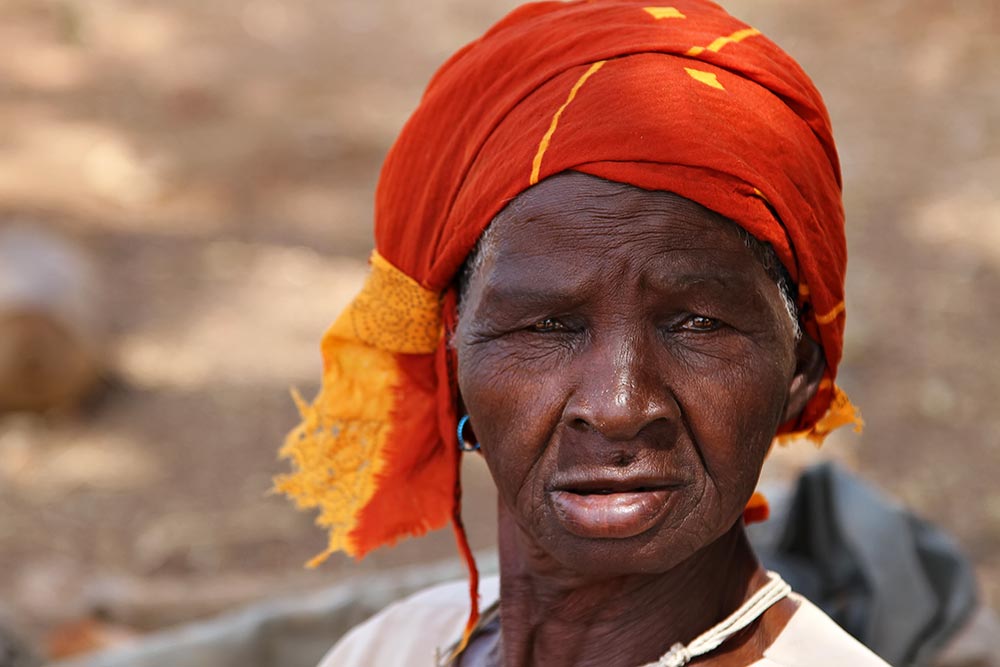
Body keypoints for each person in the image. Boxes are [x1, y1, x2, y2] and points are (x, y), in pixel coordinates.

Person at [274, 1, 888, 664]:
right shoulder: (389, 650)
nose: (618, 407)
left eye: (698, 323)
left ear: (799, 372)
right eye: (546, 325)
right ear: (453, 364)